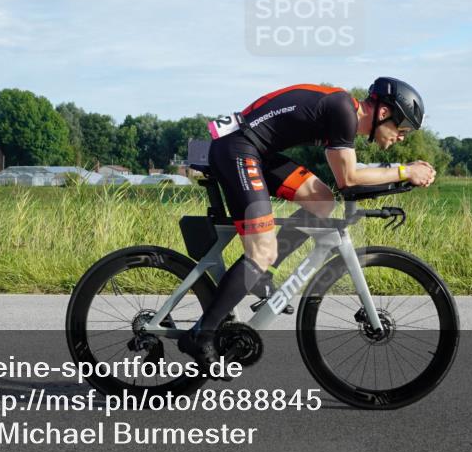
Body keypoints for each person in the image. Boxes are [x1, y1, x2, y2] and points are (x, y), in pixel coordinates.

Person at [178, 77, 436, 363]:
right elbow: (348, 178)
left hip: (253, 149)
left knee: (322, 201)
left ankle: (261, 276)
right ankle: (201, 334)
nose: (402, 136)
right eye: (403, 128)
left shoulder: (343, 111)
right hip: (238, 149)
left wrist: (398, 176)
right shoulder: (343, 110)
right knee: (262, 251)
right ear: (384, 113)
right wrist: (404, 171)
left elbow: (345, 182)